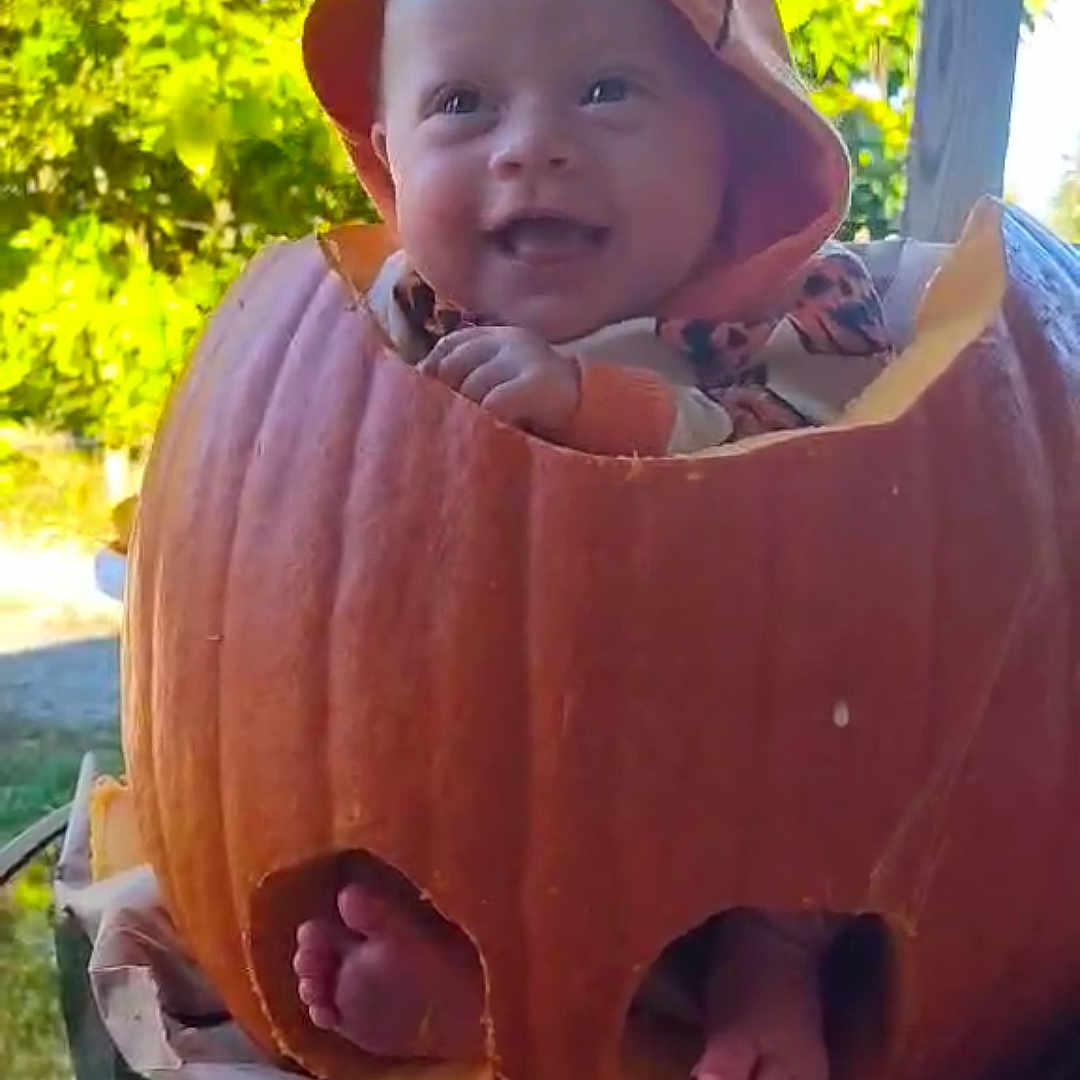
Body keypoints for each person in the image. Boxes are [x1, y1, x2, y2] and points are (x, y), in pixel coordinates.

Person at [293, 0, 894, 1075]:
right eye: (463, 103)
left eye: (608, 91)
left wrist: (600, 405)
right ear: (388, 150)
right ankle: (451, 981)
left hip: (726, 748)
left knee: (829, 799)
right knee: (381, 781)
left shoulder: (777, 315)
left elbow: (830, 477)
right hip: (487, 749)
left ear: (733, 132)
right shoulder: (390, 323)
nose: (532, 148)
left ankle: (763, 971)